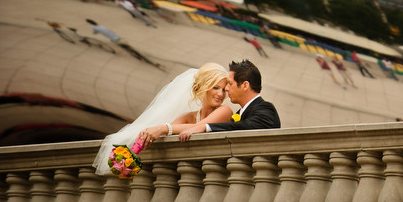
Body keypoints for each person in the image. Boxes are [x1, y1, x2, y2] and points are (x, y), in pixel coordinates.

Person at [92, 63, 232, 175]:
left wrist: (163, 128)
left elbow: (199, 126)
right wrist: (144, 140)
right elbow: (166, 131)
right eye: (215, 88)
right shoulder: (188, 117)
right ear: (203, 87)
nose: (221, 94)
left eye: (224, 90)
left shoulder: (225, 111)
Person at [179, 59, 281, 140]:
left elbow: (246, 126)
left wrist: (204, 127)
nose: (226, 89)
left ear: (245, 85)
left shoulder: (266, 109)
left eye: (230, 84)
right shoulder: (239, 113)